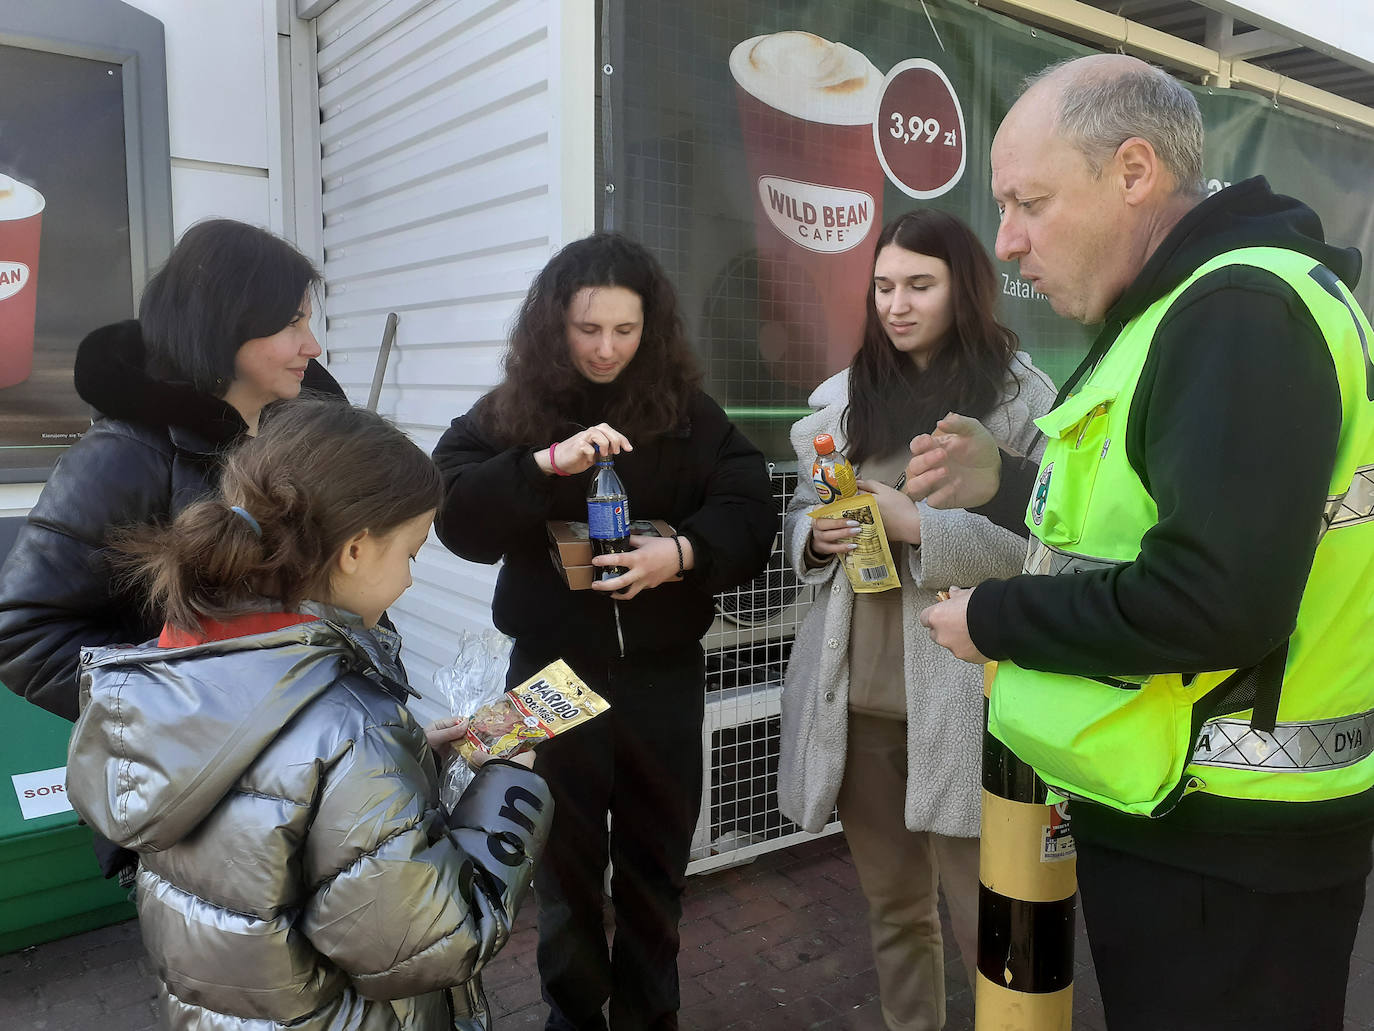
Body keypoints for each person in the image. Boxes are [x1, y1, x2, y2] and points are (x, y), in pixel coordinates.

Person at [909, 54, 1374, 1030]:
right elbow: (1165, 525)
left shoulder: (1235, 311)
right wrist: (1011, 486)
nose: (1007, 240)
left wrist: (994, 616)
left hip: (1224, 842)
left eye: (1029, 200)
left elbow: (1213, 598)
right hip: (1205, 822)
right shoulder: (1199, 304)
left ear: (1133, 170)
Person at [64, 397, 552, 1031]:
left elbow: (264, 810)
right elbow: (428, 945)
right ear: (353, 551)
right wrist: (508, 788)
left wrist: (409, 765)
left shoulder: (173, 669)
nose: (408, 579)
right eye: (409, 552)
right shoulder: (351, 726)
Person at [432, 232, 776, 1031]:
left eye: (625, 331)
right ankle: (574, 1016)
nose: (606, 349)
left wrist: (682, 554)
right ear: (554, 327)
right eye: (588, 330)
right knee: (566, 867)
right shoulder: (511, 412)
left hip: (661, 672)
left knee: (657, 862)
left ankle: (652, 1014)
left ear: (650, 330)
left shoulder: (685, 412)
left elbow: (751, 501)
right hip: (550, 676)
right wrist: (544, 464)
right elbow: (454, 513)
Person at [777, 209, 1055, 1031]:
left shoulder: (1017, 400)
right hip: (856, 700)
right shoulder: (845, 398)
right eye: (885, 285)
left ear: (963, 288)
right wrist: (815, 536)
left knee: (995, 923)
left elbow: (1046, 551)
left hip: (970, 702)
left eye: (921, 286)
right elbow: (802, 509)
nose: (897, 304)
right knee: (895, 912)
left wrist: (918, 526)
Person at [0, 217, 344, 880]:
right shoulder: (123, 457)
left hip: (304, 770)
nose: (313, 343)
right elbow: (22, 633)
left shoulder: (296, 436)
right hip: (193, 805)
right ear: (226, 324)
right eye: (291, 323)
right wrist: (197, 695)